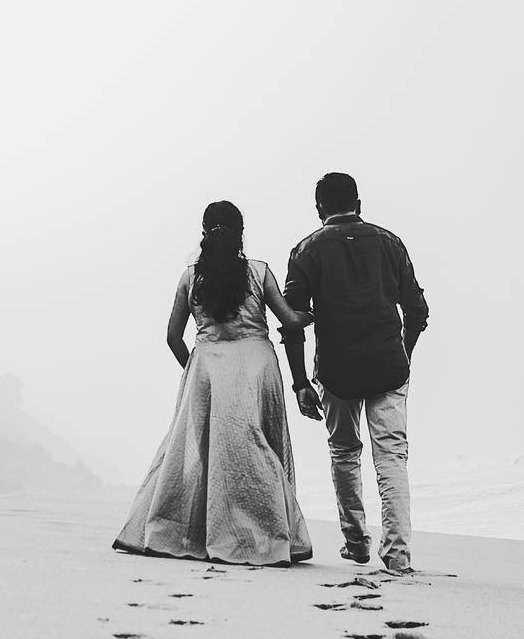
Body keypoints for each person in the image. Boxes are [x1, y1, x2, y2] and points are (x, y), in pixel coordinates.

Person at [113, 201, 315, 566]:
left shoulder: (191, 277)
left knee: (204, 454)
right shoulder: (259, 272)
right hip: (257, 366)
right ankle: (267, 536)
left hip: (208, 368)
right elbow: (291, 321)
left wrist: (194, 367)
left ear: (205, 233)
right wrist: (313, 313)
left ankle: (193, 533)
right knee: (259, 446)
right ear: (240, 234)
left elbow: (173, 337)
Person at [281, 172, 429, 572]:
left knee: (345, 452)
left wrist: (299, 384)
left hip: (336, 369)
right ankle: (397, 555)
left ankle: (356, 541)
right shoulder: (390, 243)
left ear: (318, 210)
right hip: (388, 366)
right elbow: (417, 312)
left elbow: (292, 323)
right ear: (359, 205)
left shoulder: (306, 251)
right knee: (392, 458)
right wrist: (404, 356)